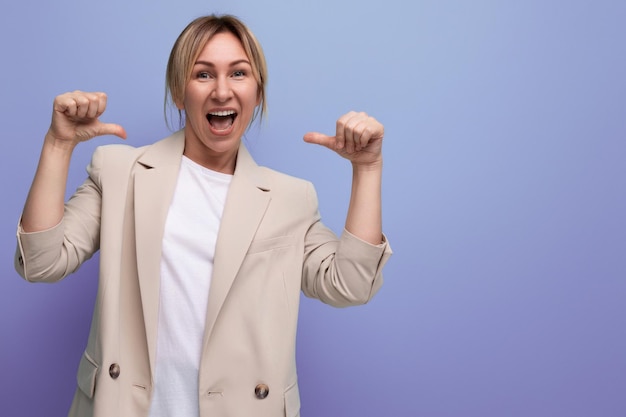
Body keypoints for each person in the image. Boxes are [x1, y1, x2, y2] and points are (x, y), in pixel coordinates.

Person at [14, 14, 391, 417]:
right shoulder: (119, 172)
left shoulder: (289, 198)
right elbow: (41, 263)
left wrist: (366, 169)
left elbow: (350, 285)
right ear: (179, 92)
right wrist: (58, 145)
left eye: (239, 73)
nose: (222, 91)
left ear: (258, 91)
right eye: (204, 74)